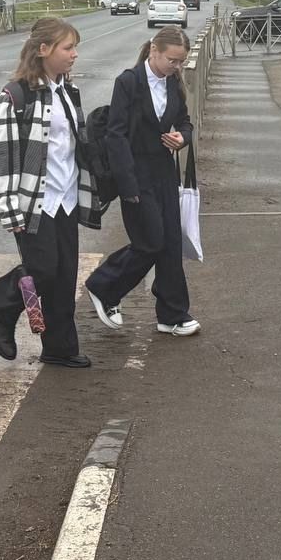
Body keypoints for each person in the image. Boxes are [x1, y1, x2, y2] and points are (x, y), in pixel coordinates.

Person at [0, 17, 105, 367]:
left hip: (65, 197)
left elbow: (71, 146)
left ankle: (59, 348)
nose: (74, 54)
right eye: (68, 48)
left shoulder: (67, 90)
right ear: (43, 50)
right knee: (44, 270)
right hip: (33, 202)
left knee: (64, 274)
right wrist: (8, 208)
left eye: (74, 48)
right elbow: (3, 157)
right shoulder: (14, 97)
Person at [84, 26, 201, 336]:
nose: (177, 67)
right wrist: (126, 184)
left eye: (181, 61)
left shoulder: (174, 83)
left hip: (165, 172)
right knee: (151, 242)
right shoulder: (129, 82)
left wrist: (182, 137)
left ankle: (172, 314)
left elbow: (185, 122)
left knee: (170, 244)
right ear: (153, 51)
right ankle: (103, 285)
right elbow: (116, 134)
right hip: (135, 173)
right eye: (172, 60)